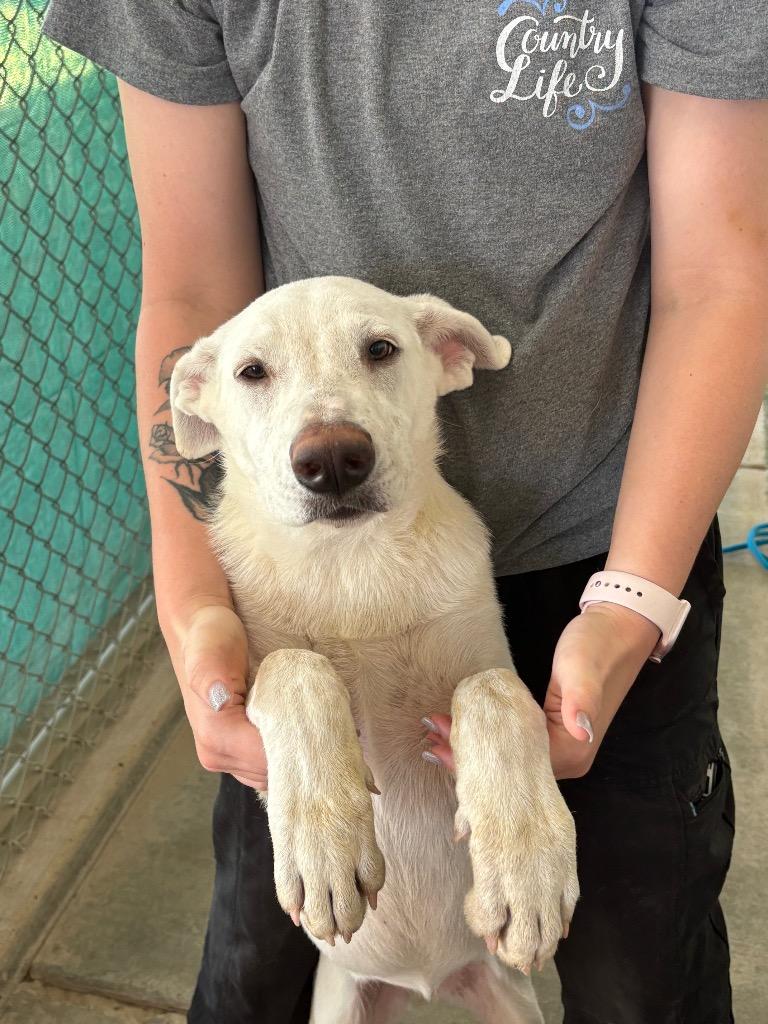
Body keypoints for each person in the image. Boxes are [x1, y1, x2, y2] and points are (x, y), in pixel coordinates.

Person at [41, 2, 768, 1022]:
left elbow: (719, 278)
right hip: (293, 574)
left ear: (445, 355)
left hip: (614, 531)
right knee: (258, 969)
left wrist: (631, 602)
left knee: (643, 972)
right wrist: (200, 613)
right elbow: (195, 284)